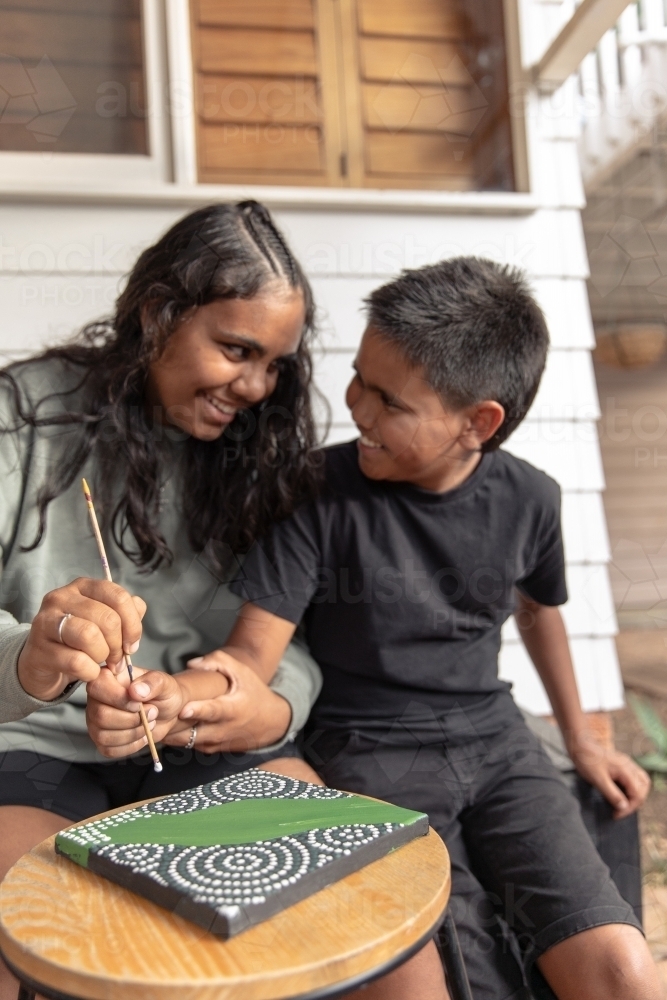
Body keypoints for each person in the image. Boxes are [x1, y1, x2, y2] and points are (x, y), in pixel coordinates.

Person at [97, 258, 661, 1000]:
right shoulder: (316, 491)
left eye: (389, 400)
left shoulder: (531, 499)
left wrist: (581, 737)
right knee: (462, 972)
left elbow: (536, 610)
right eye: (359, 375)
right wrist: (183, 696)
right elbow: (250, 653)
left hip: (495, 744)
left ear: (478, 423)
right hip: (367, 752)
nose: (356, 404)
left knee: (620, 966)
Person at [0, 201, 327, 1000]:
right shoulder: (25, 416)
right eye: (235, 349)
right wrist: (33, 660)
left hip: (205, 747)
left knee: (338, 912)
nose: (254, 386)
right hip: (33, 751)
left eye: (274, 362)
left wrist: (265, 706)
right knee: (36, 929)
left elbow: (292, 649)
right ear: (156, 314)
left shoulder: (262, 454)